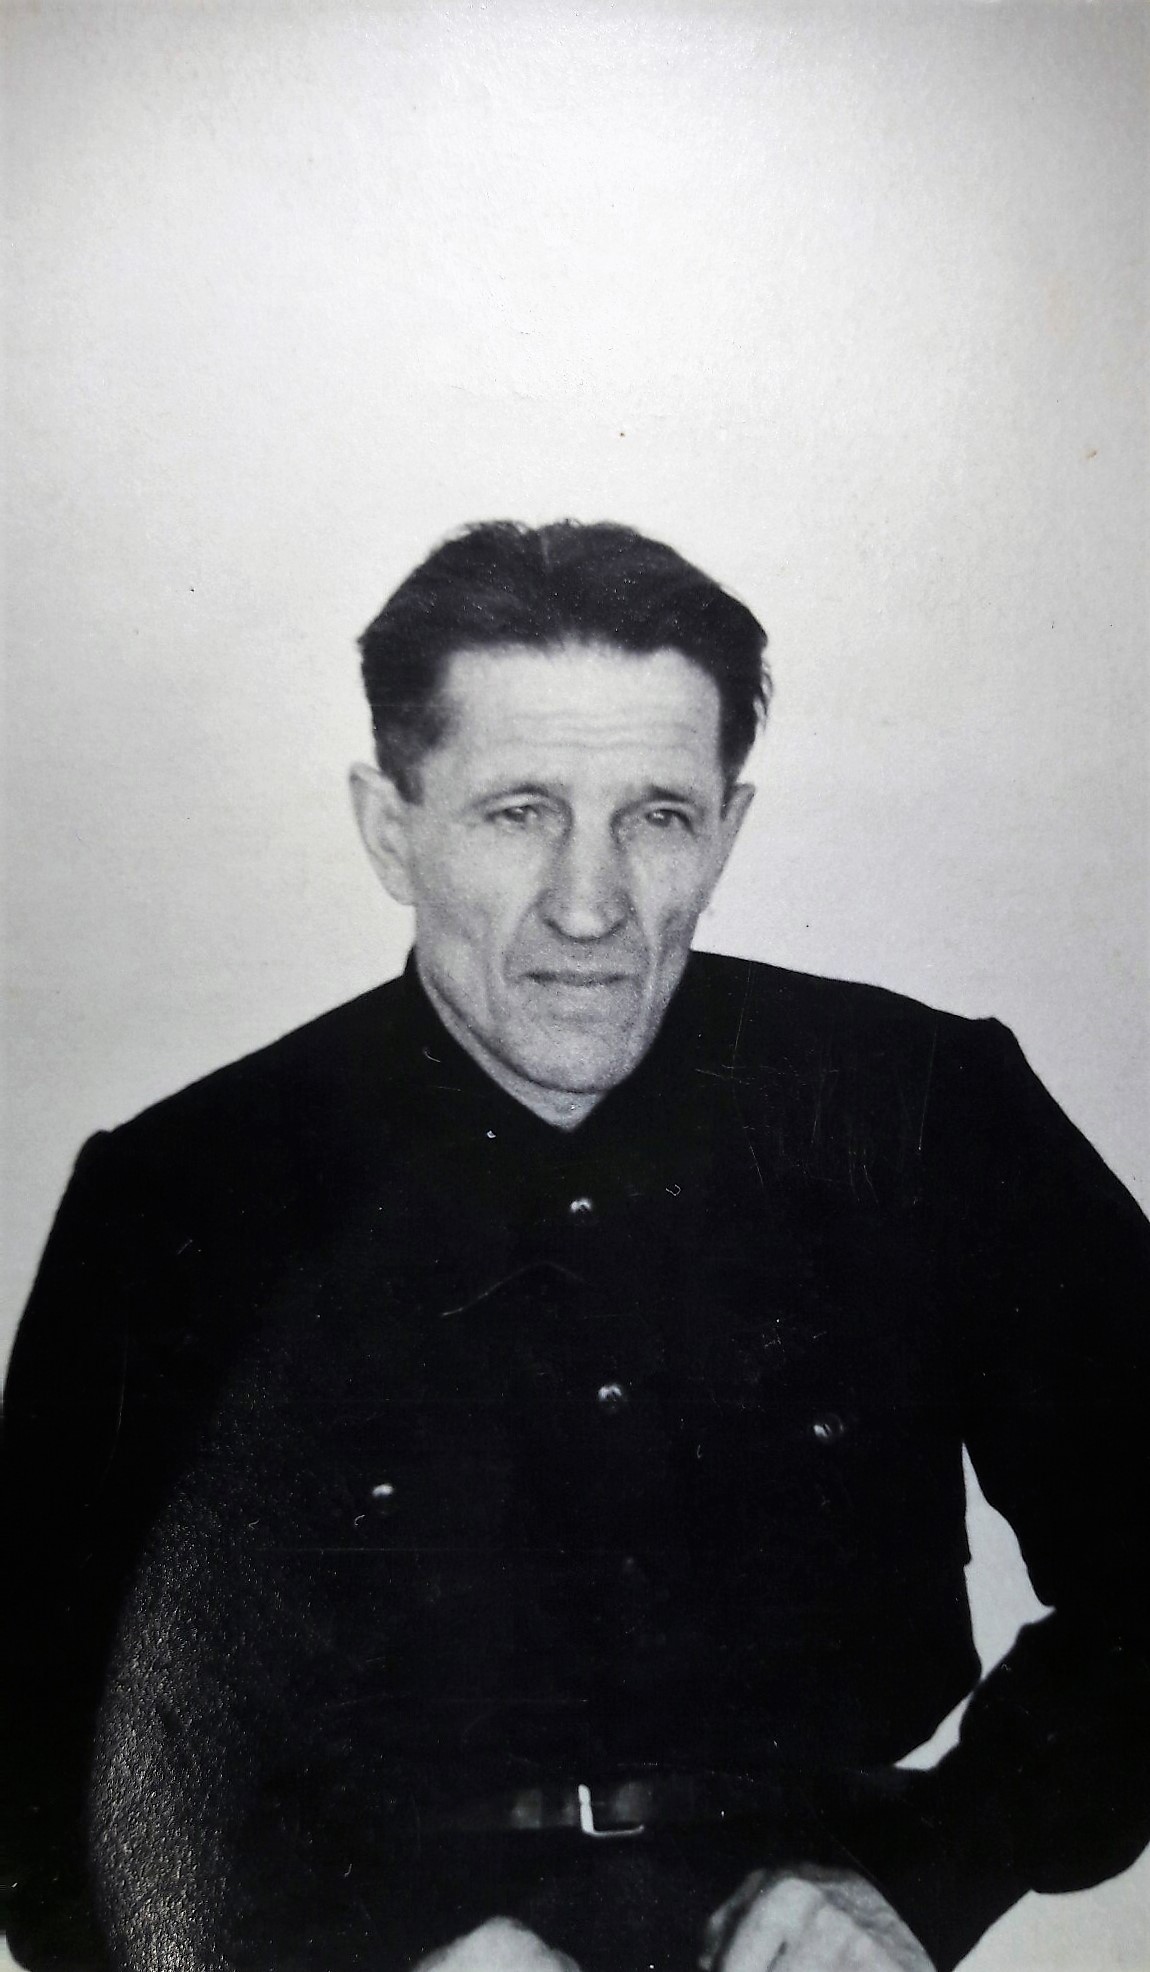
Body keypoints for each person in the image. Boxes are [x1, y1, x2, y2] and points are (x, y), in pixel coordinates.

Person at [3, 520, 1149, 1972]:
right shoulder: (178, 1199)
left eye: (656, 816)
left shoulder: (924, 1111)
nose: (589, 905)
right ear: (389, 826)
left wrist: (930, 1875)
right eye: (518, 812)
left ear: (728, 829)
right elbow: (36, 1765)